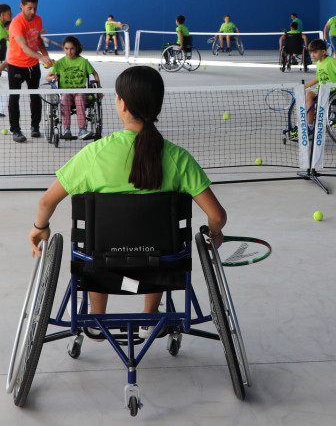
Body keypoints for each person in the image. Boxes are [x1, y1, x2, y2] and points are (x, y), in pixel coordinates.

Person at [29, 66, 227, 319]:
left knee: (95, 250)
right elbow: (217, 216)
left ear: (122, 104)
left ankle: (97, 317)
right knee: (159, 250)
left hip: (102, 266)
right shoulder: (178, 158)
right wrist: (214, 234)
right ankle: (149, 315)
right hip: (160, 269)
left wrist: (40, 227)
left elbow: (46, 202)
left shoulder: (94, 154)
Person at [8, 0, 53, 143]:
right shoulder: (16, 23)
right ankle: (15, 130)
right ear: (21, 6)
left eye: (35, 8)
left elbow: (38, 39)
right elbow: (25, 47)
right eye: (29, 8)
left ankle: (35, 127)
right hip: (16, 65)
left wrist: (45, 56)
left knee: (35, 95)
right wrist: (41, 57)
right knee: (14, 97)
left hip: (33, 65)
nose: (33, 12)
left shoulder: (38, 19)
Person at [45, 36, 101, 140]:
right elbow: (47, 77)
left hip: (80, 91)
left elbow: (95, 74)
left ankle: (82, 129)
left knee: (79, 99)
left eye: (72, 49)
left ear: (77, 48)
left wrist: (99, 89)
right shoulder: (59, 63)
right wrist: (52, 78)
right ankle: (66, 130)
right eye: (66, 49)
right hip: (65, 92)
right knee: (64, 98)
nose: (69, 52)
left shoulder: (83, 62)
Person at [303, 39, 336, 131]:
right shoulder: (319, 63)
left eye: (315, 52)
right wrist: (306, 86)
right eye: (311, 53)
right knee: (305, 93)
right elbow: (319, 78)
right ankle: (309, 123)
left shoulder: (331, 61)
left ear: (323, 52)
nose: (312, 55)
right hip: (322, 88)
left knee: (309, 94)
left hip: (332, 90)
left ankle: (310, 126)